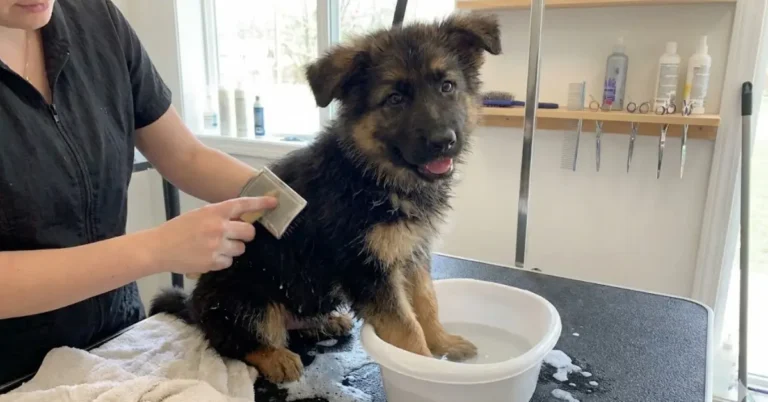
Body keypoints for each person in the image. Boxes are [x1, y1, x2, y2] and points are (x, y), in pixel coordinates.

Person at [0, 0, 279, 384]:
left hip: (119, 343)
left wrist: (296, 204)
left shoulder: (97, 19)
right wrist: (157, 249)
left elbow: (186, 156)